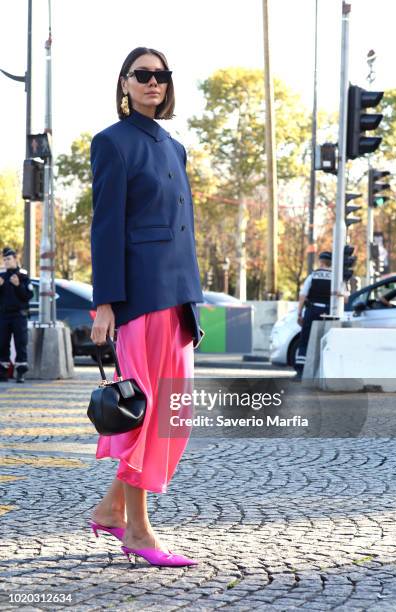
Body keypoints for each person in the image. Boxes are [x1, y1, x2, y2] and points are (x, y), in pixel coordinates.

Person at [89, 47, 205, 568]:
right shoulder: (111, 144)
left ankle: (111, 509)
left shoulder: (175, 147)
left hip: (179, 297)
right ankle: (138, 530)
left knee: (173, 415)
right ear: (125, 84)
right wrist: (106, 303)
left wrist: (193, 299)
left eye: (160, 75)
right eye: (142, 75)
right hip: (138, 298)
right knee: (144, 413)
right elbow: (107, 226)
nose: (152, 82)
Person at [294, 251, 332, 380]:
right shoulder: (336, 277)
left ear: (320, 261)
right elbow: (345, 299)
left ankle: (300, 372)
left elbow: (303, 295)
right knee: (326, 340)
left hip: (312, 311)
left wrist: (299, 313)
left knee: (305, 339)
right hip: (328, 312)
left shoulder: (313, 276)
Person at [0, 247, 34, 383]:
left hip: (19, 316)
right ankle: (2, 372)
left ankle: (20, 373)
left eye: (8, 259)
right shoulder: (2, 278)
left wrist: (18, 285)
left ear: (15, 259)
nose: (6, 262)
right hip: (3, 316)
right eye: (4, 260)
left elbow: (28, 296)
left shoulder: (23, 277)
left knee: (21, 344)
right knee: (2, 344)